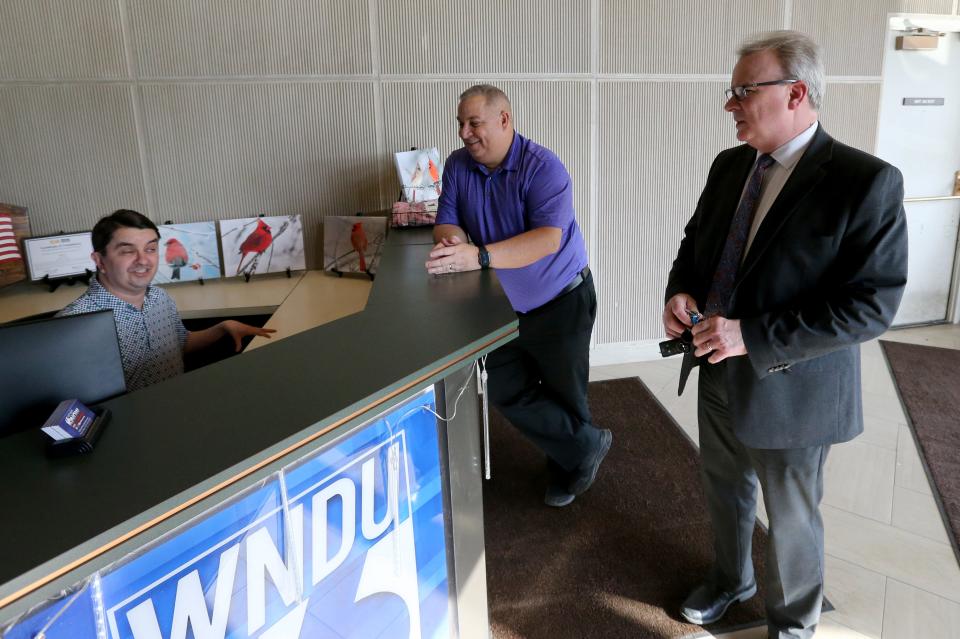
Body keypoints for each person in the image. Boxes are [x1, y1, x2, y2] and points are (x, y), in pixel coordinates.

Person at [663, 31, 908, 638]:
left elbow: (870, 308)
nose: (731, 105)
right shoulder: (730, 166)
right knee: (723, 488)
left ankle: (793, 625)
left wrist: (752, 335)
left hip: (793, 389)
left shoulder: (864, 181)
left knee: (793, 518)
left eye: (744, 91)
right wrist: (680, 292)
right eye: (732, 92)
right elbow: (696, 248)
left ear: (796, 92)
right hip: (715, 366)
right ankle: (730, 580)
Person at [425, 84, 612, 508]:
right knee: (506, 389)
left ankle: (567, 472)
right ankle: (586, 448)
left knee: (566, 394)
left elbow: (548, 240)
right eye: (460, 123)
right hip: (503, 309)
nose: (464, 133)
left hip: (562, 301)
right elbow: (445, 221)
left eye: (474, 123)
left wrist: (479, 256)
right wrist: (454, 242)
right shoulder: (457, 166)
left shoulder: (543, 167)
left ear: (504, 120)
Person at [58, 209, 275, 391]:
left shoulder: (160, 298)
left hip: (177, 406)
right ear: (99, 261)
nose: (143, 260)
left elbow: (180, 345)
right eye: (127, 251)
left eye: (150, 249)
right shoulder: (74, 324)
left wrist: (222, 328)